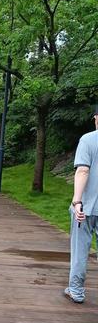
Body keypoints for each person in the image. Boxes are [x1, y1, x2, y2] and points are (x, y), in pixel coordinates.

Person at [65, 107, 98, 304]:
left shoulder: (87, 140)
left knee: (80, 249)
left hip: (86, 207)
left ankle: (76, 291)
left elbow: (83, 171)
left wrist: (77, 201)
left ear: (96, 118)